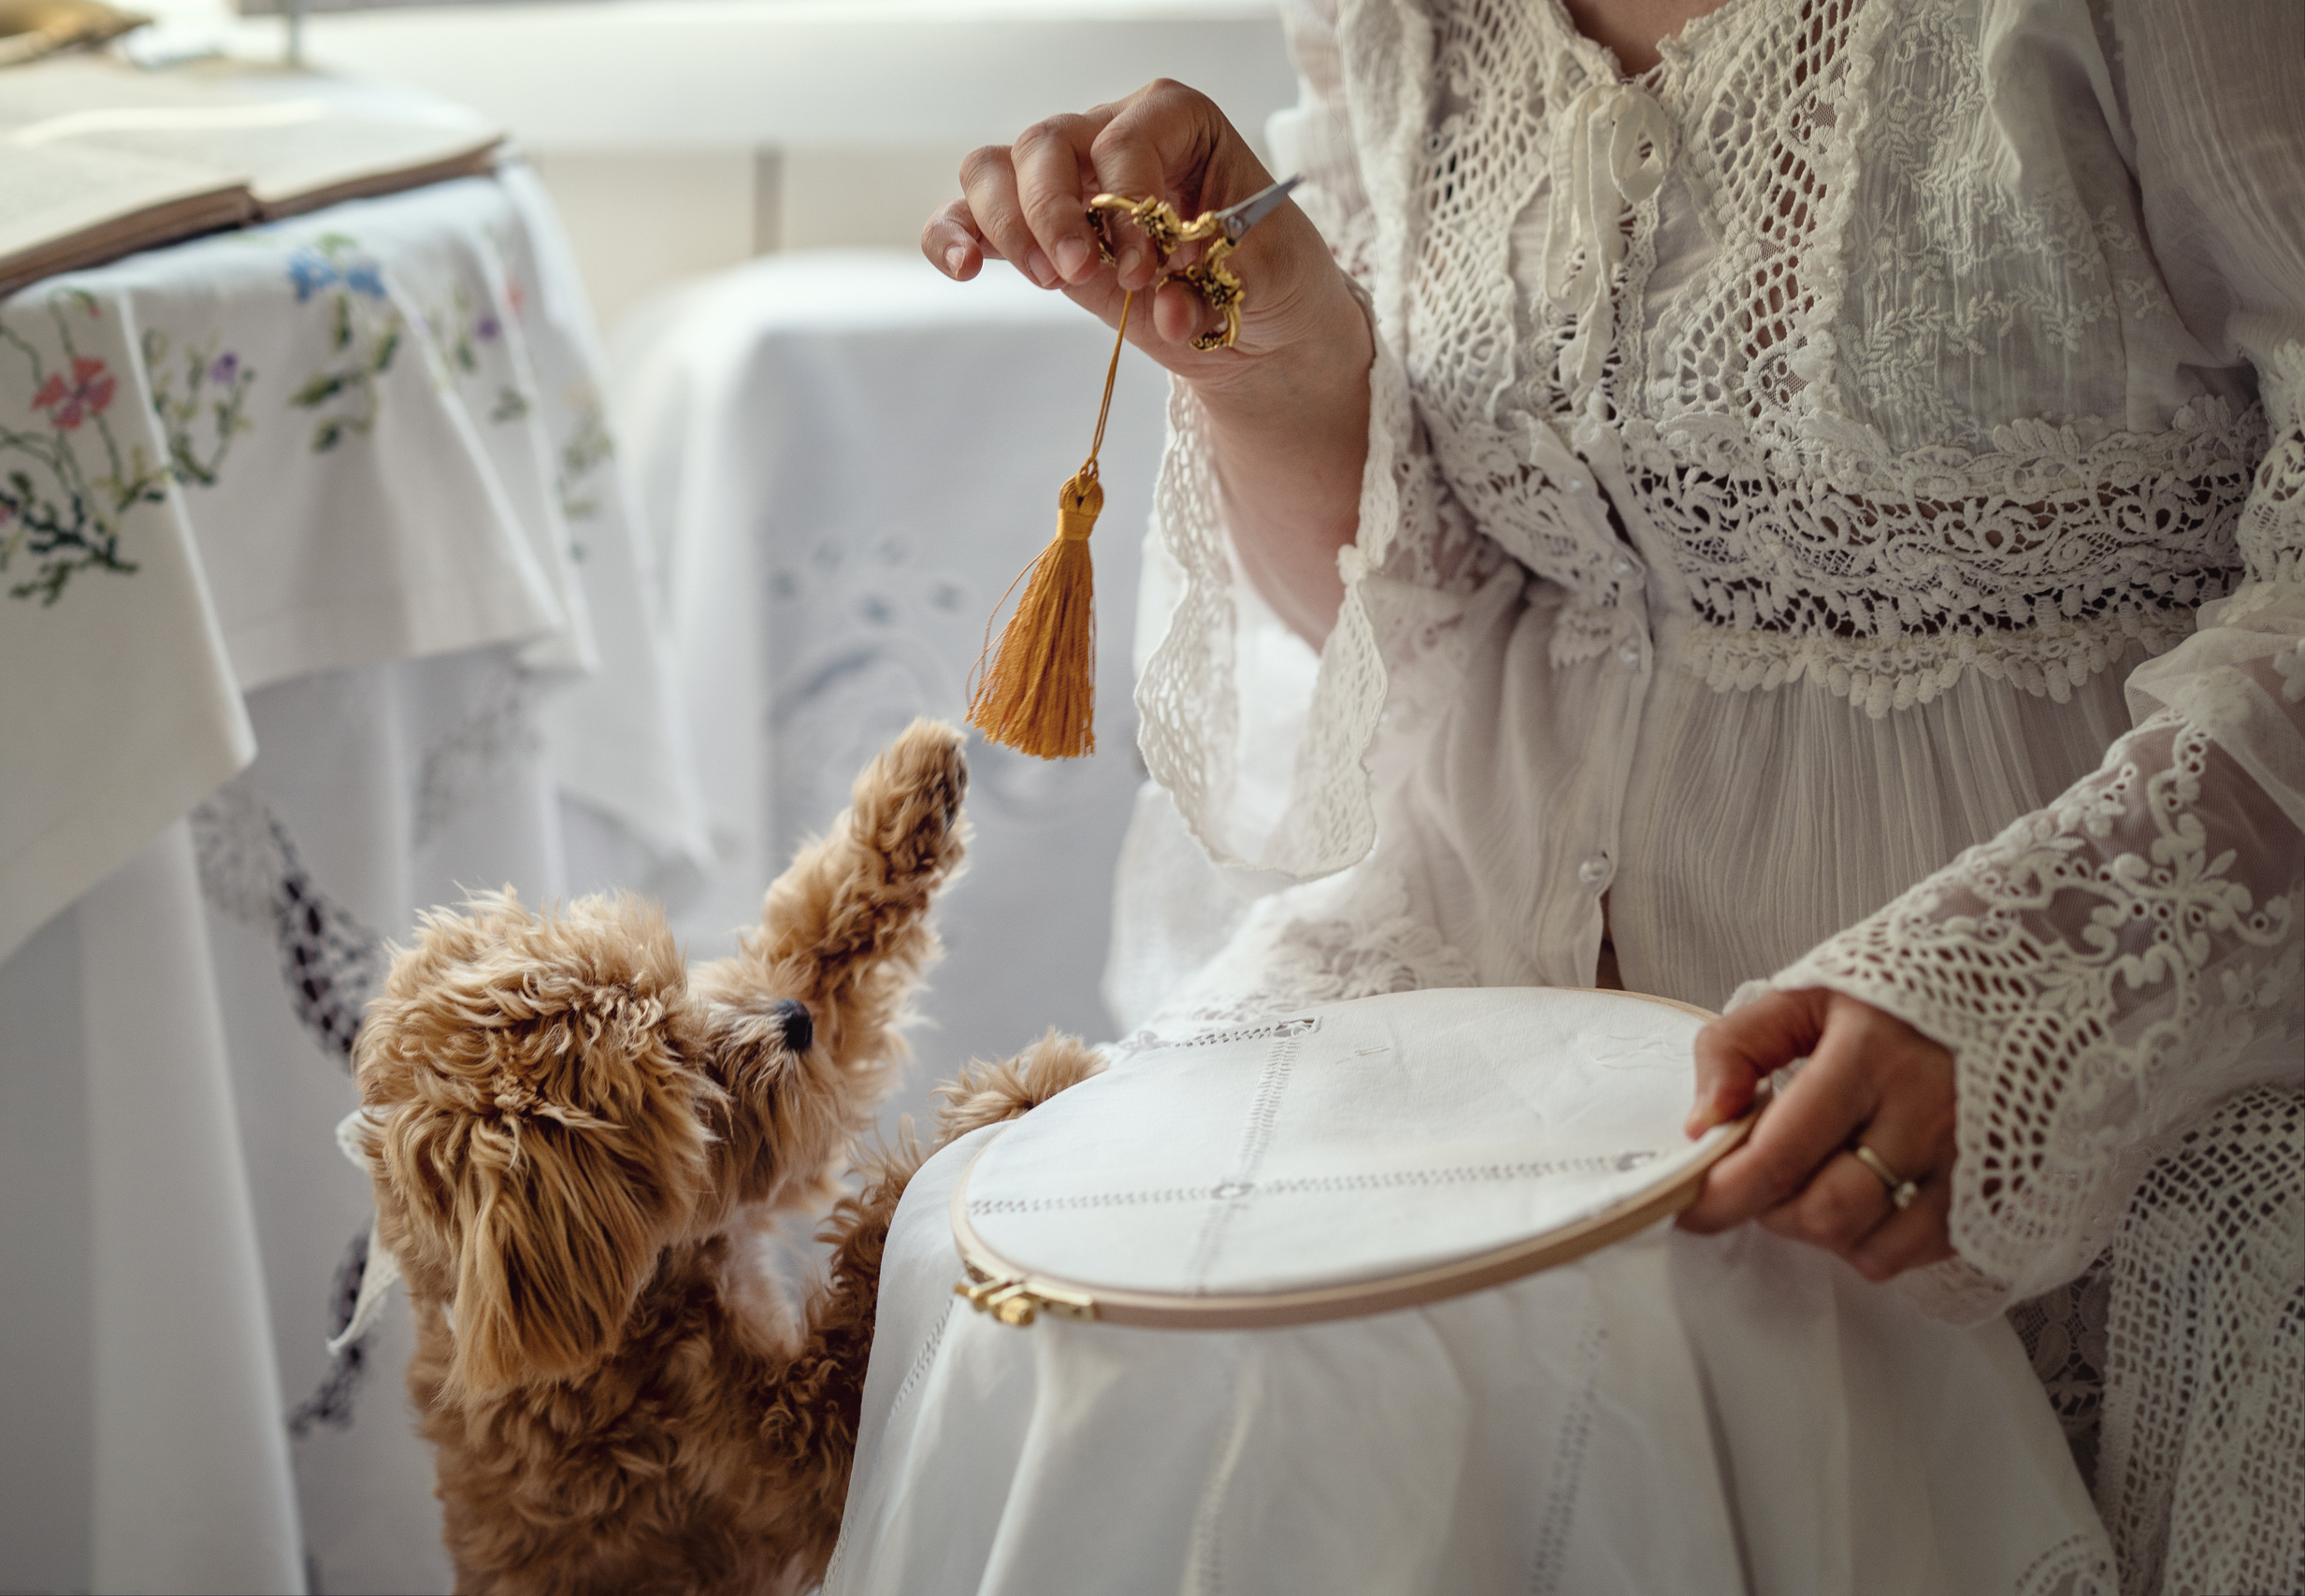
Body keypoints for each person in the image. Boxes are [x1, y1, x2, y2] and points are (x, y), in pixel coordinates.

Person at [843, 1, 2302, 1590]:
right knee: (1074, 1355)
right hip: (1470, 1014)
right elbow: (1427, 603)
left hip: (2080, 1071)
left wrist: (2034, 985)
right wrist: (1285, 361)